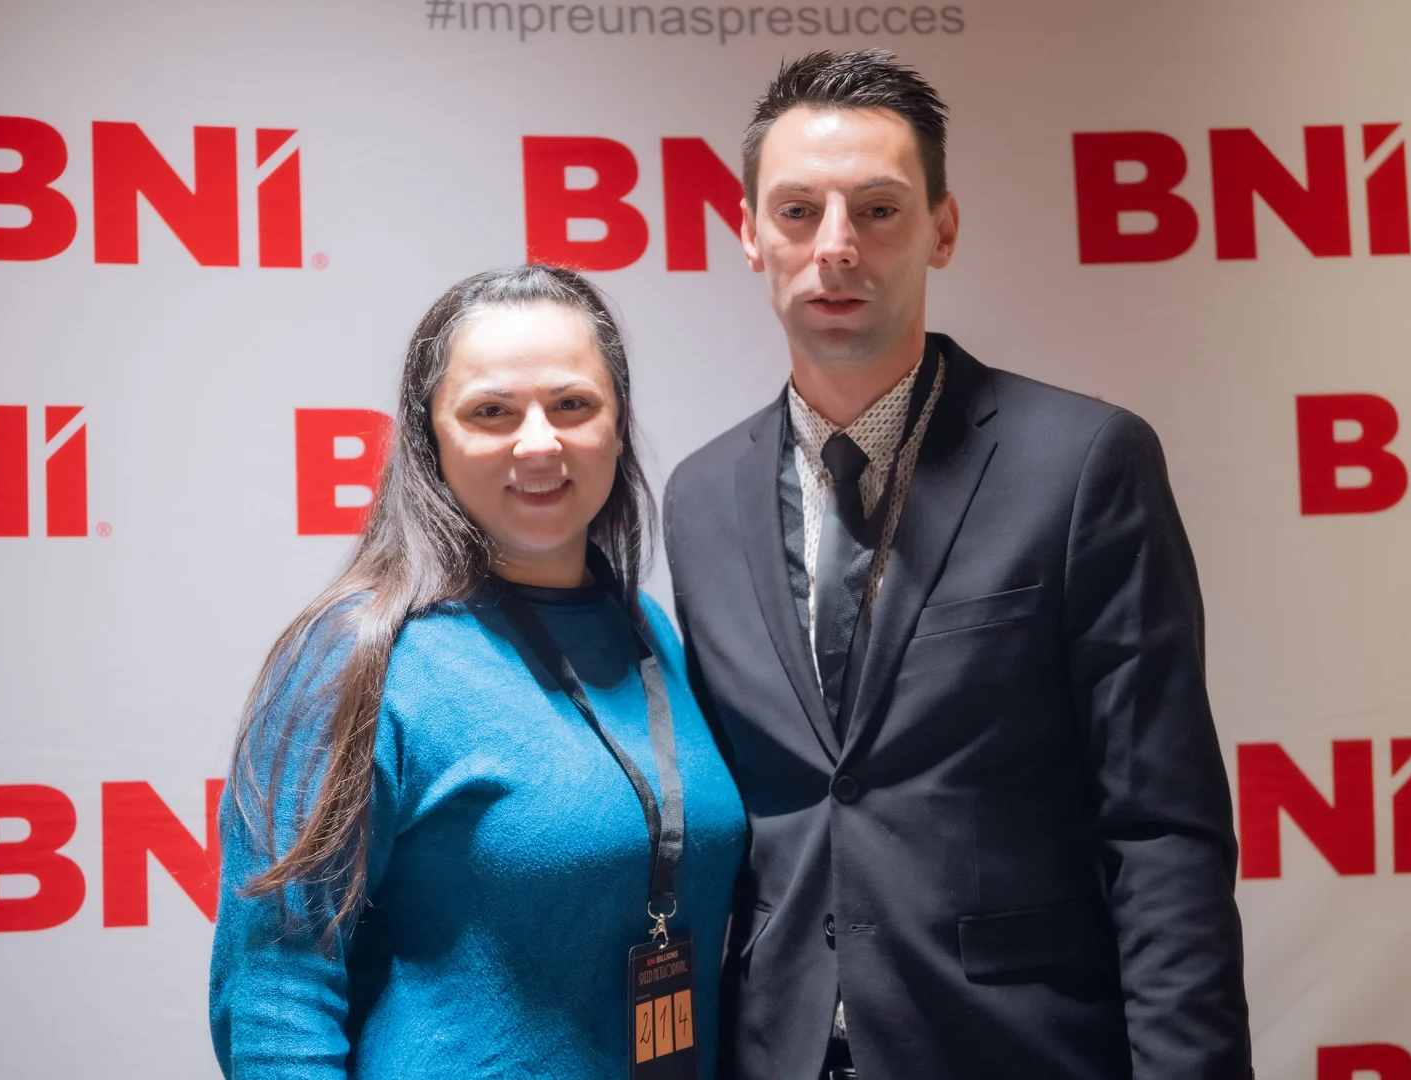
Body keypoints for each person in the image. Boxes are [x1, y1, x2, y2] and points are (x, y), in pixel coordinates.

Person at [663, 50, 1251, 1080]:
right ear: (750, 234)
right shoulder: (699, 498)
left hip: (1015, 1051)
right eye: (797, 211)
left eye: (878, 210)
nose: (835, 246)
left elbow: (1161, 832)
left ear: (943, 227)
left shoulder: (1082, 464)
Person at [210, 265, 745, 1079]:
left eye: (573, 404)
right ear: (430, 439)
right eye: (492, 411)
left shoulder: (651, 632)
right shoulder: (355, 657)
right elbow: (275, 995)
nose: (539, 442)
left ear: (617, 426)